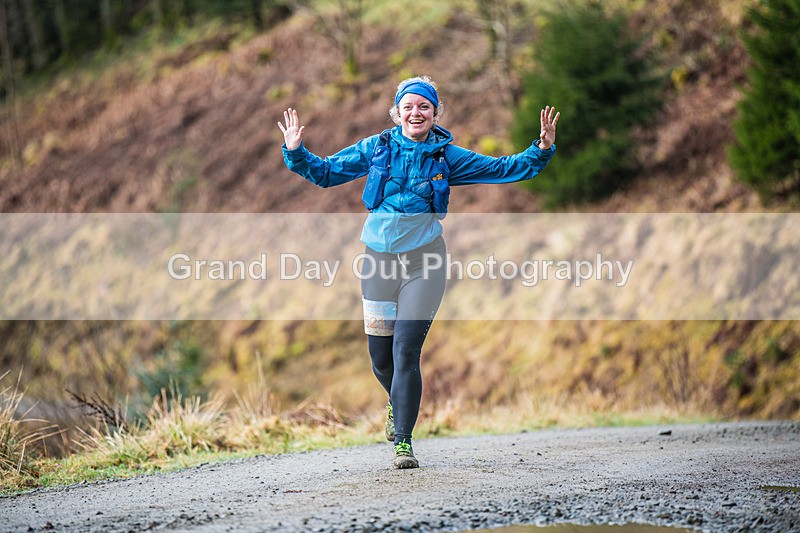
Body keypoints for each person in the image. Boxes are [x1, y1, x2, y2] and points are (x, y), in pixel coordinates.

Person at [278, 76, 559, 469]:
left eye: (424, 107)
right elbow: (326, 173)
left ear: (434, 113)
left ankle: (403, 444)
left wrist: (541, 148)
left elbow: (505, 169)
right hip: (377, 260)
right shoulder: (375, 149)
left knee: (405, 351)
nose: (416, 113)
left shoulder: (448, 157)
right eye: (408, 106)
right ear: (397, 112)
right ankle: (398, 404)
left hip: (425, 262)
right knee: (380, 359)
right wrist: (296, 151)